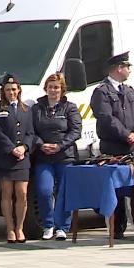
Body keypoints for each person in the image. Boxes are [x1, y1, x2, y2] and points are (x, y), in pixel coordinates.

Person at [90, 51, 134, 239]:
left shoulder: (129, 90)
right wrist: (126, 134)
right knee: (116, 189)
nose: (130, 70)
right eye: (127, 66)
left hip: (133, 147)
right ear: (119, 68)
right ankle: (117, 228)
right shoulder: (102, 91)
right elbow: (106, 118)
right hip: (113, 146)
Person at [32, 72, 82, 241]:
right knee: (44, 190)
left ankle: (62, 227)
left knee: (63, 192)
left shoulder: (70, 107)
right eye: (50, 87)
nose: (53, 90)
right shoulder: (37, 108)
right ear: (45, 88)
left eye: (57, 87)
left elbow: (76, 131)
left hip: (64, 156)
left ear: (62, 89)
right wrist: (40, 144)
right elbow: (30, 131)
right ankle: (48, 225)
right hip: (43, 156)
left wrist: (60, 145)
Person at [0, 74, 34, 243]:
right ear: (3, 91)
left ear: (19, 90)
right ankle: (9, 228)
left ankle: (20, 228)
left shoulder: (26, 109)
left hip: (22, 158)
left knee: (22, 193)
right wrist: (11, 149)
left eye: (14, 89)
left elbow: (30, 132)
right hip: (5, 157)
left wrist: (24, 147)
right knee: (7, 194)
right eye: (8, 90)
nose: (11, 93)